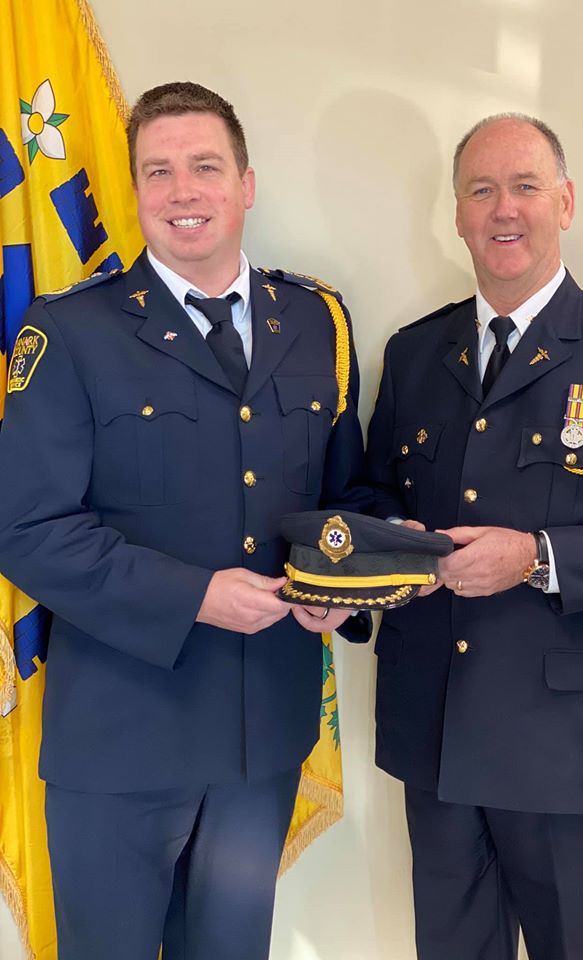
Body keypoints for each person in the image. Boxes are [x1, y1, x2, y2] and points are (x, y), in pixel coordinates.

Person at [0, 81, 369, 960]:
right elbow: (27, 528)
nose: (181, 191)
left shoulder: (315, 320)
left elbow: (349, 499)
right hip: (121, 741)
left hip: (264, 733)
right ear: (135, 193)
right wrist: (195, 595)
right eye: (157, 172)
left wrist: (341, 590)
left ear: (246, 184)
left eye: (205, 167)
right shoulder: (69, 334)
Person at [365, 113, 583, 960]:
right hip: (438, 742)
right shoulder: (415, 356)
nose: (503, 209)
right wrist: (389, 548)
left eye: (525, 186)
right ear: (455, 213)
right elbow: (374, 495)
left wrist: (540, 557)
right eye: (481, 190)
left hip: (568, 757)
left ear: (565, 201)